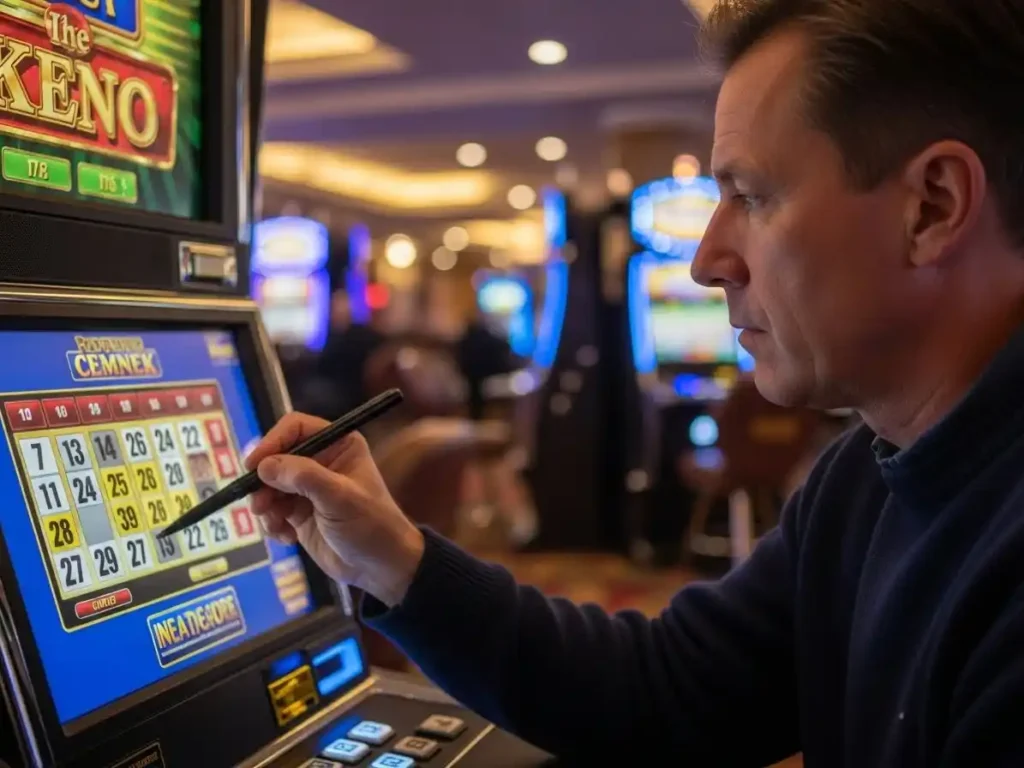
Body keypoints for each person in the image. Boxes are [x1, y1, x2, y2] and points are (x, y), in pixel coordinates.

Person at [246, 0, 1024, 764]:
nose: (706, 262)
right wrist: (393, 556)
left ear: (932, 205)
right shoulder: (865, 475)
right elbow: (667, 690)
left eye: (751, 196)